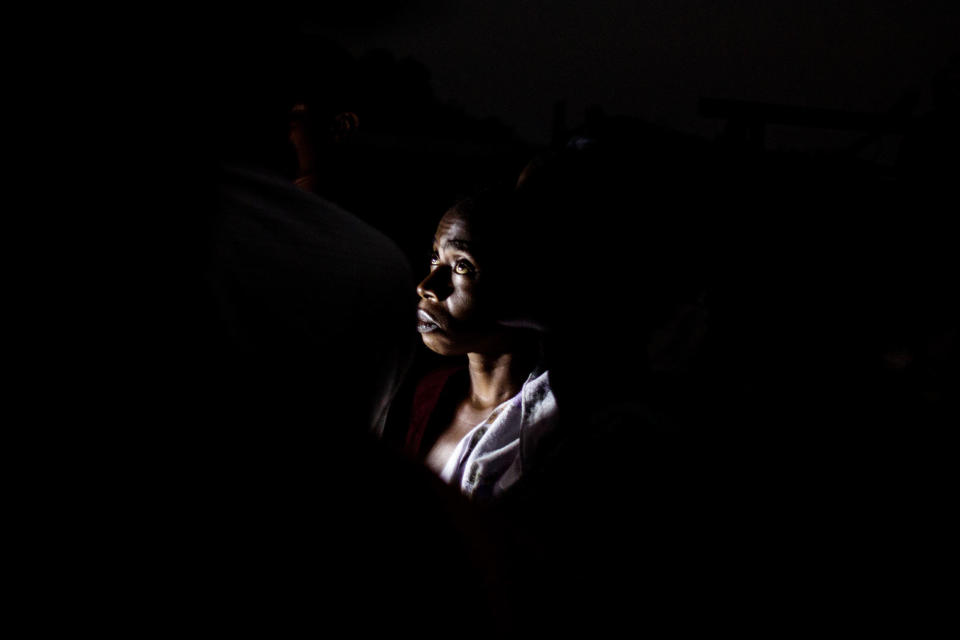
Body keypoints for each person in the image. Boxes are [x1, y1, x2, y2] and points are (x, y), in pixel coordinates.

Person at [405, 190, 559, 499]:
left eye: (462, 266)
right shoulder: (430, 394)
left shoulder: (556, 422)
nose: (427, 286)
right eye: (435, 258)